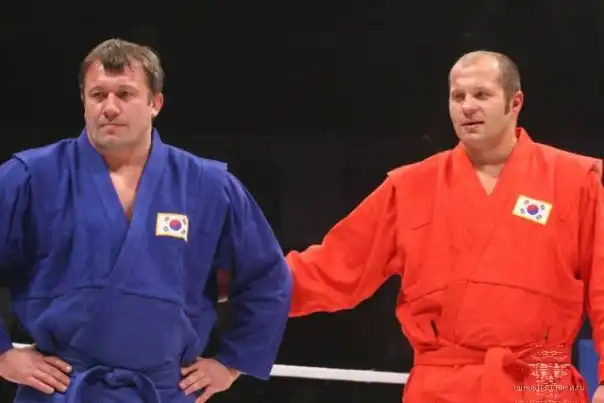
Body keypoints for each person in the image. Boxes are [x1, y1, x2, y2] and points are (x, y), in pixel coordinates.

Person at [284, 51, 604, 402]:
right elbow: (332, 267)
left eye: (481, 94)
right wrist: (247, 285)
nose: (467, 106)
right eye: (458, 96)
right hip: (441, 387)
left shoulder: (575, 180)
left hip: (540, 385)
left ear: (515, 103)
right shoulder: (410, 186)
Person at [0, 38, 293, 403]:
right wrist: (3, 355)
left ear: (155, 103)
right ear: (84, 102)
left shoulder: (208, 185)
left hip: (165, 390)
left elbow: (268, 277)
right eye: (98, 95)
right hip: (61, 388)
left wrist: (232, 363)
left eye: (125, 94)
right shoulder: (30, 176)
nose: (109, 107)